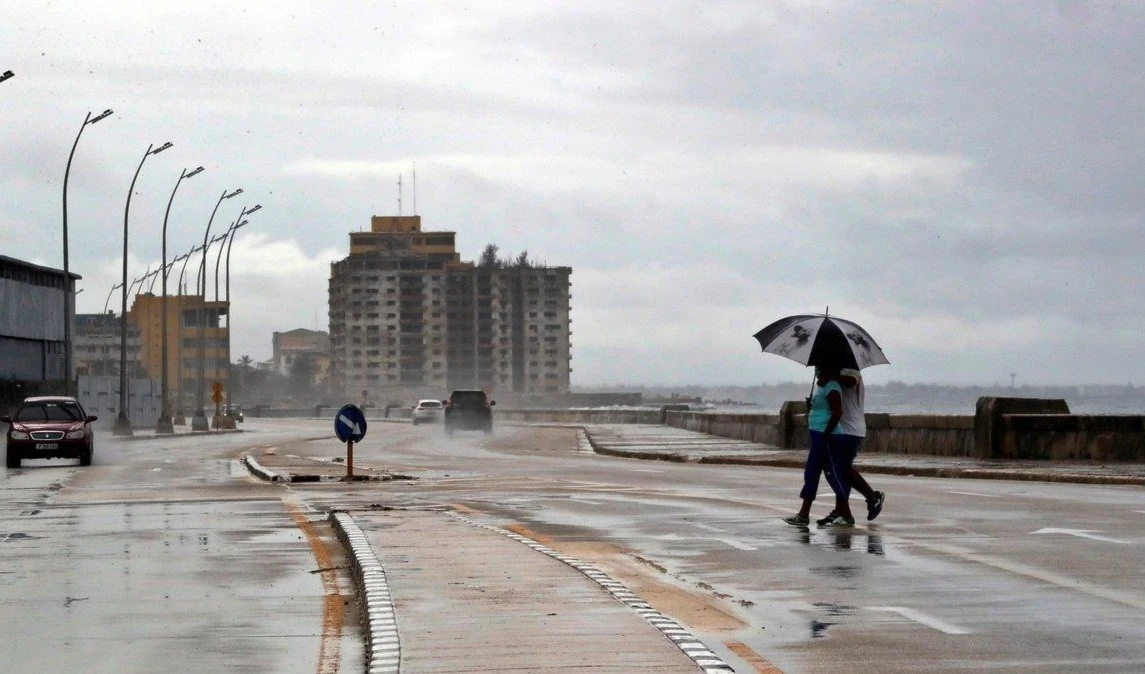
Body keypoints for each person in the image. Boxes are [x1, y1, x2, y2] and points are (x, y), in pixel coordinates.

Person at [782, 365, 856, 527]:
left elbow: (837, 412)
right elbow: (822, 407)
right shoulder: (821, 385)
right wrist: (812, 404)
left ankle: (846, 514)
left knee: (833, 475)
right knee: (811, 473)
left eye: (818, 367)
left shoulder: (832, 386)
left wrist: (826, 434)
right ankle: (803, 515)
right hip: (818, 436)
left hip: (828, 437)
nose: (816, 370)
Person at [817, 368, 885, 524]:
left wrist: (829, 377)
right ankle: (841, 510)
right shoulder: (836, 373)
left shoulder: (851, 368)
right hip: (841, 428)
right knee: (839, 471)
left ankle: (871, 497)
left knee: (842, 469)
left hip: (851, 428)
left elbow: (851, 381)